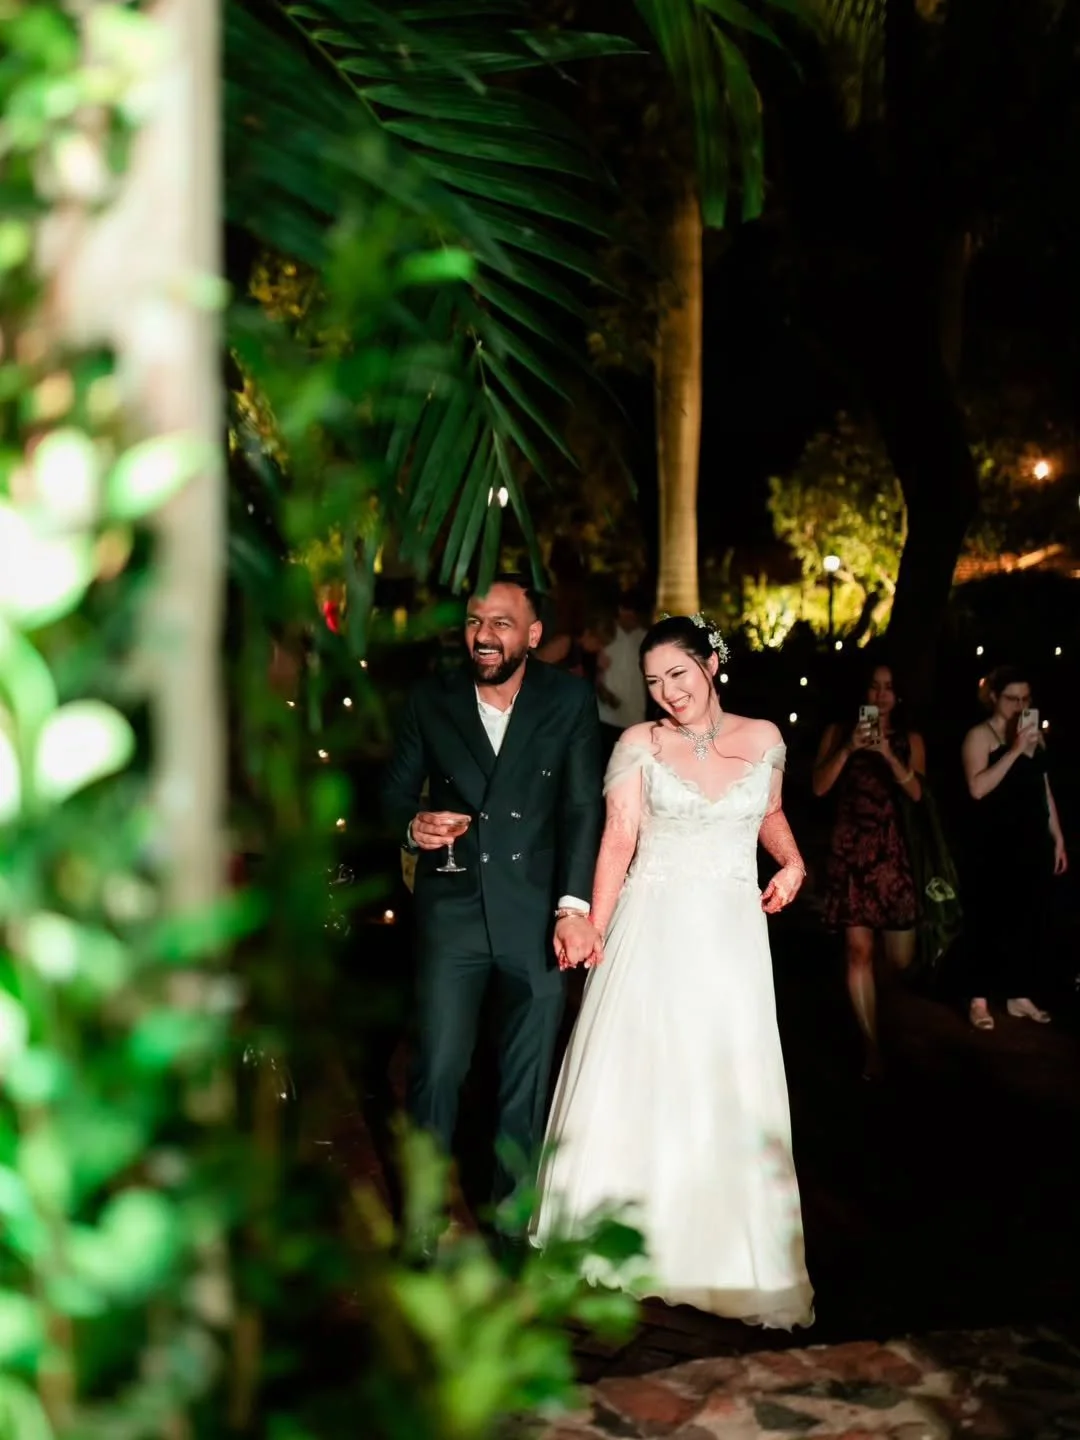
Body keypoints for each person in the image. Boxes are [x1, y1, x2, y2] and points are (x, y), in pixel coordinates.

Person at [532, 614, 814, 1329]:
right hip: (654, 929)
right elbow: (618, 838)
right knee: (646, 1074)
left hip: (731, 938)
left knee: (727, 1079)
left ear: (710, 666)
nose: (668, 693)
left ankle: (719, 1251)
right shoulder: (638, 744)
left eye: (678, 675)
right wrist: (593, 923)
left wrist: (793, 860)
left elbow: (769, 813)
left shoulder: (765, 738)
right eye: (654, 683)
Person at [382, 576, 604, 1223]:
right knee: (439, 1071)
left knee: (522, 1089)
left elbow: (581, 806)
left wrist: (573, 906)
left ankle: (510, 1230)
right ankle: (420, 1222)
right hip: (451, 915)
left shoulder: (568, 700)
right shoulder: (431, 700)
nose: (484, 635)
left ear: (534, 636)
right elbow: (395, 792)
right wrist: (411, 824)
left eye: (502, 623)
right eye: (476, 621)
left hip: (537, 918)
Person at [813, 661, 924, 1079]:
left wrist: (886, 756)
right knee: (857, 950)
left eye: (889, 688)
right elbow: (819, 787)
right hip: (852, 853)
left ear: (899, 695)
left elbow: (918, 795)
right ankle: (871, 1048)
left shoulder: (910, 740)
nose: (881, 695)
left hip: (895, 857)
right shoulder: (839, 733)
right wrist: (849, 750)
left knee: (898, 960)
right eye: (874, 687)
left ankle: (880, 1008)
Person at [960, 665, 1068, 1030]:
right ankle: (978, 998)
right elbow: (977, 788)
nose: (1019, 705)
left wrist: (1058, 837)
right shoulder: (980, 735)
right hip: (992, 842)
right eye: (1012, 698)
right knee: (986, 917)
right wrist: (1014, 750)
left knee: (1027, 917)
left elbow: (1044, 788)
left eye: (1025, 698)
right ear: (994, 697)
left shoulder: (1034, 736)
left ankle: (1018, 992)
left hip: (1030, 839)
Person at [596, 587, 649, 757]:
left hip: (634, 718)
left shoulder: (643, 637)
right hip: (606, 716)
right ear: (621, 610)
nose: (633, 619)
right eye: (630, 613)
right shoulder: (605, 633)